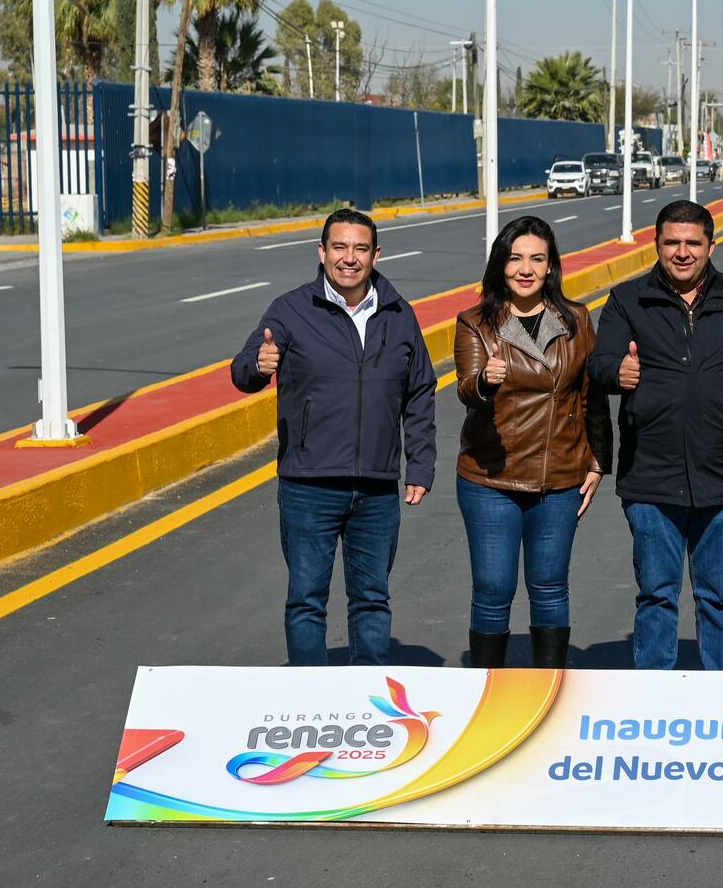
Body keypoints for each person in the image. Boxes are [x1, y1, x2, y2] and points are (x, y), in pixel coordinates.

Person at [589, 199, 723, 670]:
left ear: (711, 246)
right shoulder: (627, 300)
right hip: (650, 477)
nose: (682, 253)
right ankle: (653, 700)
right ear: (656, 245)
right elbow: (598, 366)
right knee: (656, 595)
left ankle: (719, 699)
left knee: (718, 595)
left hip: (722, 475)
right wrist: (618, 371)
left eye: (692, 243)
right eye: (672, 243)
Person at [231, 207, 437, 665]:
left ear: (376, 254)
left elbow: (420, 391)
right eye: (339, 247)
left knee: (372, 601)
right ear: (321, 252)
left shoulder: (399, 314)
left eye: (360, 248)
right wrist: (258, 366)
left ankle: (365, 703)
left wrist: (420, 465)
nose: (350, 258)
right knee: (306, 602)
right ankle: (312, 702)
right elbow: (243, 368)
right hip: (309, 485)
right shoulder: (290, 309)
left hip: (377, 488)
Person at [453, 216, 613, 670]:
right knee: (492, 591)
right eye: (515, 257)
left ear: (550, 267)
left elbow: (591, 396)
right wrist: (486, 380)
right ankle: (489, 697)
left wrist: (599, 460)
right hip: (491, 479)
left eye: (537, 259)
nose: (525, 268)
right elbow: (466, 387)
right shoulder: (476, 322)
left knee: (549, 588)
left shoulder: (576, 318)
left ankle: (548, 697)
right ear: (501, 264)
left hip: (560, 479)